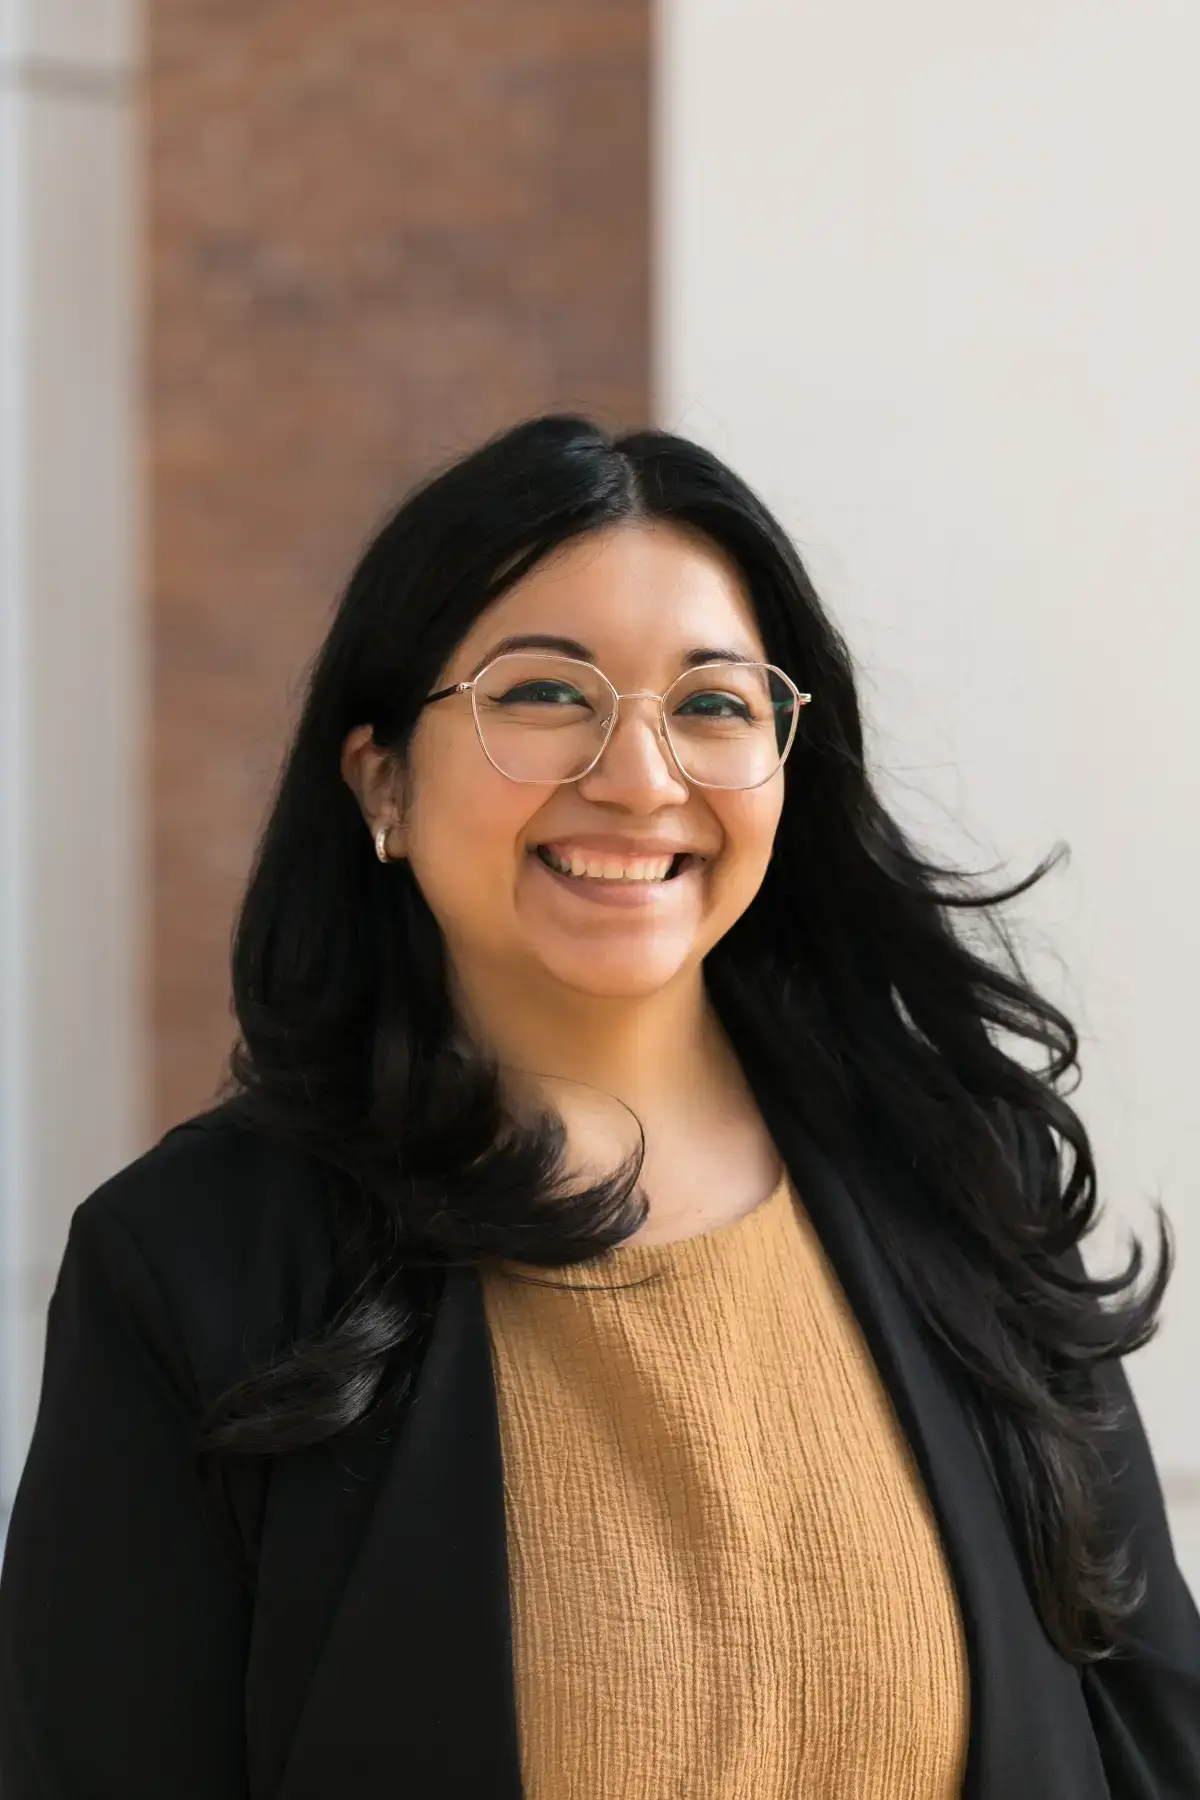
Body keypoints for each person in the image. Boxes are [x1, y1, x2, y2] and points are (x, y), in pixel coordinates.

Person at [1, 415, 1197, 1800]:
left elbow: (1151, 1750)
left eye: (712, 705)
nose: (639, 779)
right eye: (545, 694)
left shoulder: (963, 1187)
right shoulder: (195, 1268)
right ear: (380, 774)